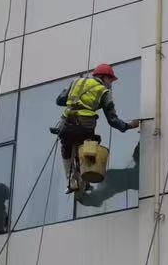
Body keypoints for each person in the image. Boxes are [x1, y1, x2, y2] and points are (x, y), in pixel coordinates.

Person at [54, 64, 140, 192]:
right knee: (88, 148)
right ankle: (85, 178)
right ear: (103, 77)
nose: (111, 84)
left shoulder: (76, 82)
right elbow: (113, 120)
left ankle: (71, 182)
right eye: (110, 80)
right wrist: (128, 126)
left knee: (66, 148)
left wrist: (77, 101)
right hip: (86, 127)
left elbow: (60, 100)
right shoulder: (103, 91)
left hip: (67, 124)